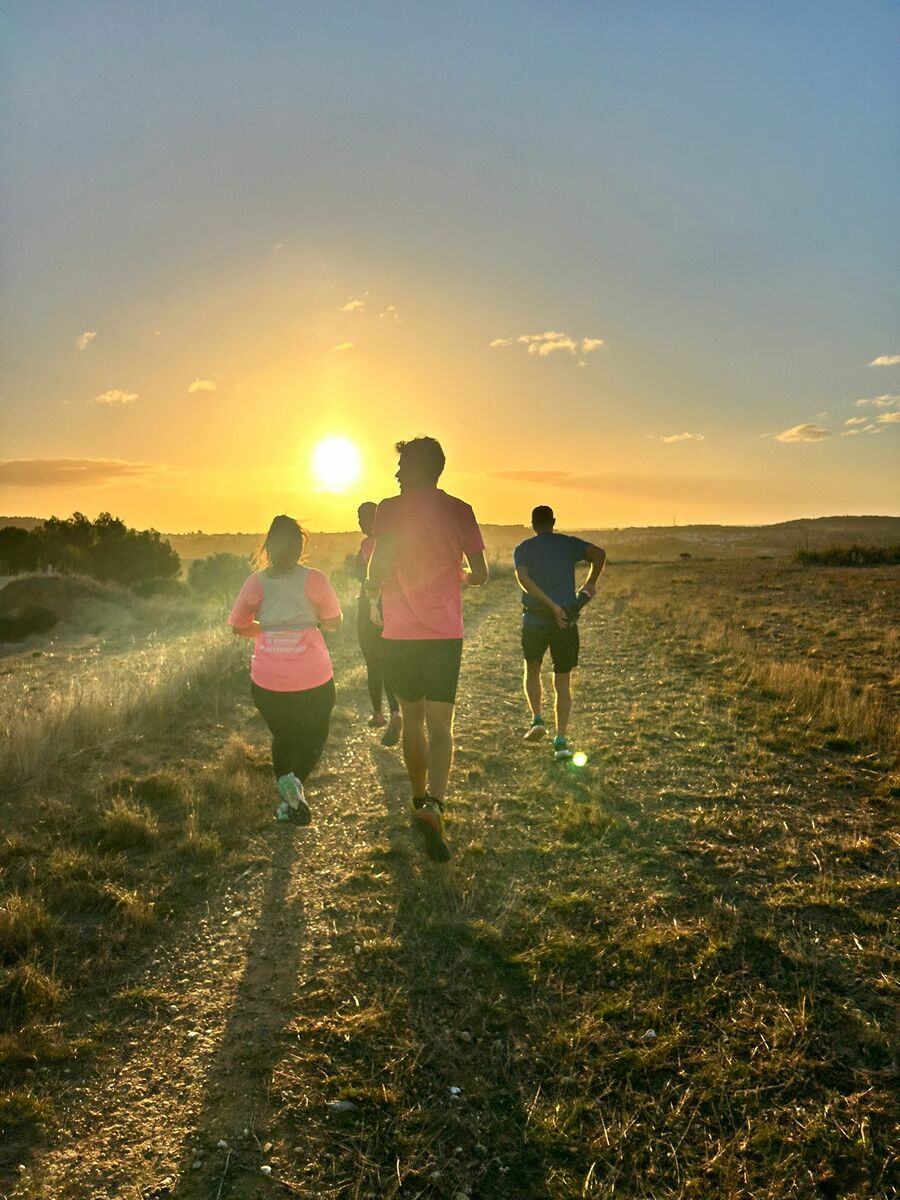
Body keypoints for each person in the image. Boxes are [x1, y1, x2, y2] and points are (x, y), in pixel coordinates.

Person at [366, 437, 488, 862]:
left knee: (413, 721)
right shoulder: (461, 510)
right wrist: (461, 577)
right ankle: (435, 804)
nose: (397, 474)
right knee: (441, 726)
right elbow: (481, 574)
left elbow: (377, 567)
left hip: (400, 635)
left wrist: (374, 590)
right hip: (444, 636)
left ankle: (418, 799)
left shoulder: (389, 509)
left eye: (402, 467)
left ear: (418, 469)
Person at [228, 515, 342, 823]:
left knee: (284, 736)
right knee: (316, 734)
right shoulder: (315, 579)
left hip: (268, 681)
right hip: (313, 677)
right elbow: (334, 621)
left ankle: (290, 799)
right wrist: (313, 621)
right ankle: (295, 785)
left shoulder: (256, 582)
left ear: (269, 546)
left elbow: (238, 625)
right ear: (300, 545)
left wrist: (267, 629)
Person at [513, 505, 606, 760]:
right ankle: (561, 741)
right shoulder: (568, 544)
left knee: (532, 668)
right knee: (562, 681)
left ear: (532, 524)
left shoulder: (523, 549)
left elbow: (524, 581)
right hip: (565, 620)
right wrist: (590, 583)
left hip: (535, 619)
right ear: (553, 522)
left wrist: (548, 605)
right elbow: (599, 554)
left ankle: (537, 720)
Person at [354, 501, 402, 746]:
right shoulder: (396, 543)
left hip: (369, 607)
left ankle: (378, 713)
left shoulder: (368, 545)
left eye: (362, 518)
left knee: (372, 662)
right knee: (389, 661)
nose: (359, 523)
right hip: (394, 606)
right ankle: (395, 711)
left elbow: (362, 577)